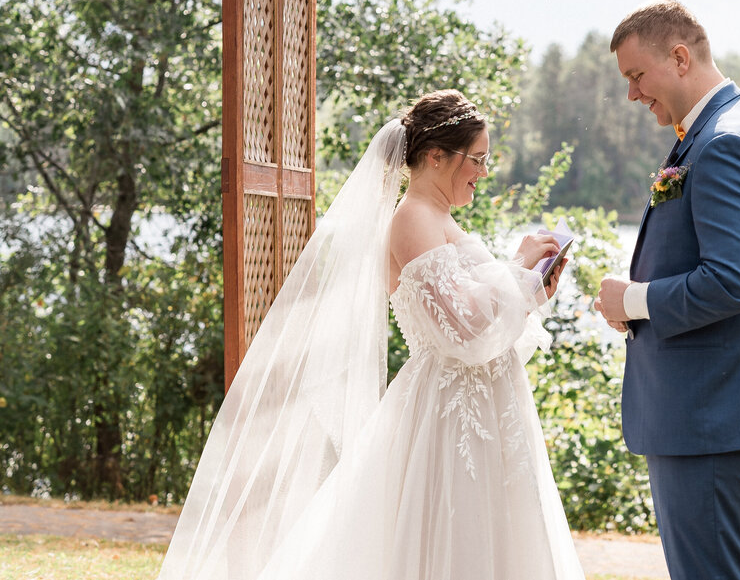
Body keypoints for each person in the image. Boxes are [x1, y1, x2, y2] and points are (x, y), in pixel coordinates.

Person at [157, 89, 585, 580]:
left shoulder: (441, 218)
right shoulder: (412, 219)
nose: (484, 172)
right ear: (435, 155)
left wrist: (532, 289)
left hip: (488, 405)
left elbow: (485, 324)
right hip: (448, 412)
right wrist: (518, 265)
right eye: (478, 158)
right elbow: (462, 331)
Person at [594, 0, 740, 580]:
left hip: (713, 411)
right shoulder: (711, 133)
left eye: (637, 76)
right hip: (709, 409)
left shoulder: (726, 142)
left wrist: (635, 300)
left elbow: (736, 281)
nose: (633, 94)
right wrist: (635, 304)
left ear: (680, 57)